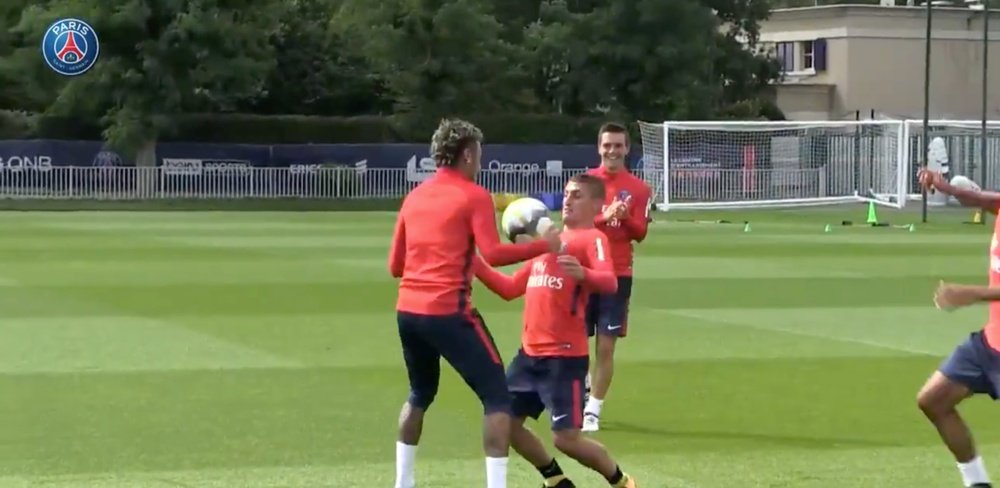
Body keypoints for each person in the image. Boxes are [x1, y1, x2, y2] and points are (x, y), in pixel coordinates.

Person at [388, 118, 563, 488]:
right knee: (498, 398)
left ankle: (403, 484)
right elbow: (495, 253)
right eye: (479, 155)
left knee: (420, 393)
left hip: (408, 311)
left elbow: (394, 266)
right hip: (448, 310)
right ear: (468, 154)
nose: (481, 162)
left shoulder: (414, 197)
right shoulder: (473, 195)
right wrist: (544, 246)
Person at [473, 173, 639, 488]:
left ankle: (621, 481)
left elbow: (609, 281)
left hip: (563, 358)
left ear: (596, 204)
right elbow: (509, 288)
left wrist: (585, 273)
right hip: (528, 357)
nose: (568, 199)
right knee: (503, 423)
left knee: (566, 439)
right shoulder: (547, 246)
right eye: (566, 194)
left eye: (576, 195)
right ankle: (556, 480)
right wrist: (475, 263)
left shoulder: (593, 239)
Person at [916, 167, 1000, 488]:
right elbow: (980, 198)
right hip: (989, 344)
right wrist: (946, 187)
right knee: (933, 400)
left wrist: (971, 293)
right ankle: (977, 483)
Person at [582, 122, 652, 432]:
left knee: (606, 347)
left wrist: (624, 220)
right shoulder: (584, 183)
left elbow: (641, 233)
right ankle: (581, 389)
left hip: (617, 273)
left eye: (618, 145)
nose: (612, 151)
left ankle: (593, 411)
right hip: (582, 271)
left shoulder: (639, 189)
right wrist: (603, 217)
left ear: (627, 149)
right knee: (574, 341)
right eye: (607, 145)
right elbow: (573, 224)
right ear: (599, 147)